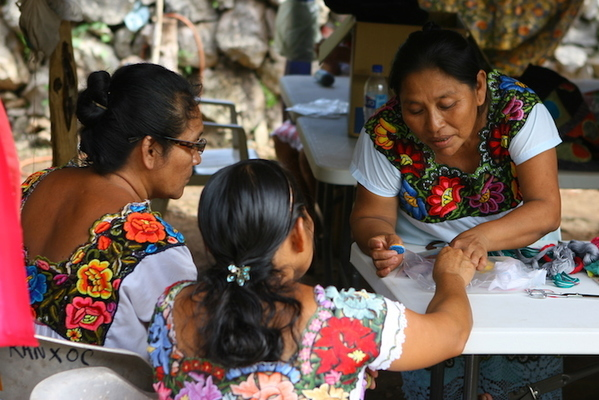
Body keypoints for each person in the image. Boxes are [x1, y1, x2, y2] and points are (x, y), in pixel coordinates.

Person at [350, 24, 562, 399]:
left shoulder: (519, 111)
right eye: (414, 109)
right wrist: (379, 239)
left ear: (479, 87)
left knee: (516, 369)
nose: (434, 124)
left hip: (522, 257)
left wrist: (481, 238)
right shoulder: (385, 132)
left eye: (447, 105)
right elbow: (371, 215)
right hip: (425, 263)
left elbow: (545, 209)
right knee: (438, 359)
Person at [147, 158, 476, 399]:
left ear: (208, 242)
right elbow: (452, 334)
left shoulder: (172, 306)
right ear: (300, 232)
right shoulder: (350, 320)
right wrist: (450, 277)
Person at [21, 63, 203, 360]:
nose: (196, 159)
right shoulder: (154, 248)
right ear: (151, 149)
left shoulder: (33, 187)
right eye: (193, 144)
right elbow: (184, 358)